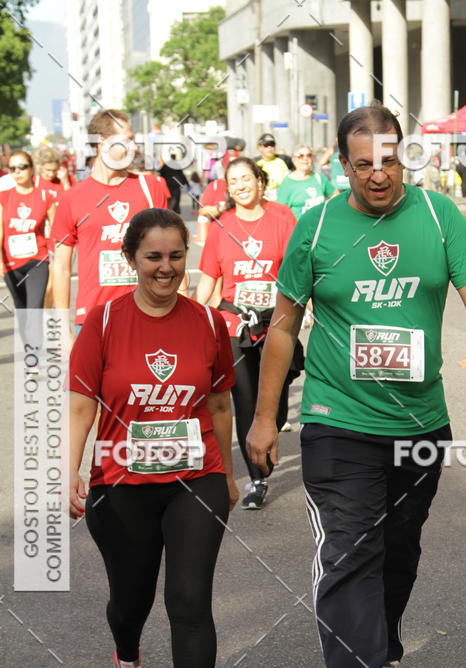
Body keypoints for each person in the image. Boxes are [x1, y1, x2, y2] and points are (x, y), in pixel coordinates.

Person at [246, 104, 466, 668]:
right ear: (343, 164)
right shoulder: (316, 228)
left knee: (399, 546)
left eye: (388, 161)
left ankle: (382, 649)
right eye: (363, 163)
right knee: (350, 547)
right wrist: (264, 418)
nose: (377, 174)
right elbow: (282, 329)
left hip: (419, 423)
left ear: (404, 158)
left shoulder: (437, 216)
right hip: (336, 418)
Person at [69, 208, 237, 668]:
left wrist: (227, 472)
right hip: (120, 483)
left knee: (189, 601)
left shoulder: (209, 321)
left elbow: (219, 403)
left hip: (196, 476)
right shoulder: (104, 321)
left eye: (175, 256)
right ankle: (127, 656)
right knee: (131, 598)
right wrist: (70, 470)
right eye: (153, 257)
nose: (166, 268)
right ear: (131, 259)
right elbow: (81, 405)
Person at [196, 156, 298, 509]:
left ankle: (269, 431)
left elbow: (298, 270)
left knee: (276, 408)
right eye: (233, 181)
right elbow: (207, 282)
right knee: (245, 401)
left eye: (246, 178)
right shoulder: (221, 227)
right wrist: (186, 317)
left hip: (276, 324)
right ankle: (257, 479)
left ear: (260, 181)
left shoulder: (282, 217)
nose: (240, 186)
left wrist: (313, 308)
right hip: (233, 325)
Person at [50, 108, 171, 343]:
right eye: (128, 140)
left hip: (149, 314)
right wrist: (62, 329)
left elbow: (172, 253)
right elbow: (61, 267)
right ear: (103, 143)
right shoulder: (71, 198)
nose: (134, 147)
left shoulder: (150, 187)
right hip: (93, 319)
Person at [0, 150, 55, 362]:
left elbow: (56, 232)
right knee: (22, 311)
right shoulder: (4, 197)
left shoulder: (45, 196)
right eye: (12, 168)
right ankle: (29, 350)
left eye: (22, 167)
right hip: (11, 263)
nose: (17, 172)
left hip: (37, 261)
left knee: (34, 309)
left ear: (32, 169)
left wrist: (57, 262)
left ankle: (33, 356)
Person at [277, 145, 336, 219]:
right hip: (298, 225)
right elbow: (279, 212)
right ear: (293, 159)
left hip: (320, 224)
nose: (305, 159)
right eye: (300, 156)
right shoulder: (287, 183)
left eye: (309, 155)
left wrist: (330, 211)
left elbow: (335, 195)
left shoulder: (319, 178)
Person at [255, 133, 292, 200]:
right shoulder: (256, 164)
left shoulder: (285, 160)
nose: (269, 148)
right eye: (266, 145)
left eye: (272, 144)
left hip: (283, 198)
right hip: (265, 199)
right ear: (260, 147)